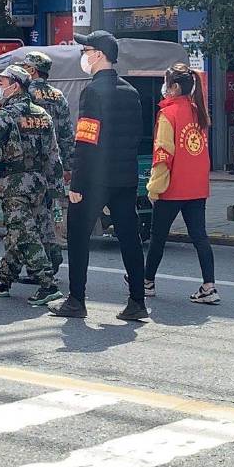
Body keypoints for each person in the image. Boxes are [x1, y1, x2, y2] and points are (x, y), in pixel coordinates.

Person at [50, 30, 147, 322]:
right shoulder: (131, 92)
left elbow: (86, 140)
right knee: (129, 237)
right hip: (125, 177)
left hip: (94, 178)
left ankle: (76, 300)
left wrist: (76, 183)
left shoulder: (92, 92)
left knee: (78, 236)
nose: (84, 56)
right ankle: (137, 301)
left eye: (86, 51)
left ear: (99, 55)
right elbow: (137, 137)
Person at [0, 65, 64, 304]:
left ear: (15, 86)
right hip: (39, 184)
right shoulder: (43, 115)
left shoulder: (4, 116)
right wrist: (56, 189)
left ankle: (47, 284)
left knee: (24, 234)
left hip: (13, 186)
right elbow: (54, 156)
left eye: (2, 83)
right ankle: (3, 279)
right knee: (22, 231)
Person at [144, 63, 220, 305]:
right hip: (197, 187)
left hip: (172, 188)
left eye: (167, 83)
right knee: (200, 237)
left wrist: (154, 188)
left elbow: (163, 154)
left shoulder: (168, 114)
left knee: (158, 238)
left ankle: (147, 282)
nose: (165, 88)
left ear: (174, 87)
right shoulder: (199, 111)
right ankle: (209, 286)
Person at [19, 51, 74, 283]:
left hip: (28, 167)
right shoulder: (58, 96)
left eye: (24, 67)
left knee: (29, 218)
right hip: (53, 165)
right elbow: (67, 134)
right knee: (49, 214)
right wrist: (68, 165)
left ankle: (37, 268)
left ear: (32, 70)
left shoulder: (25, 94)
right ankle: (51, 262)